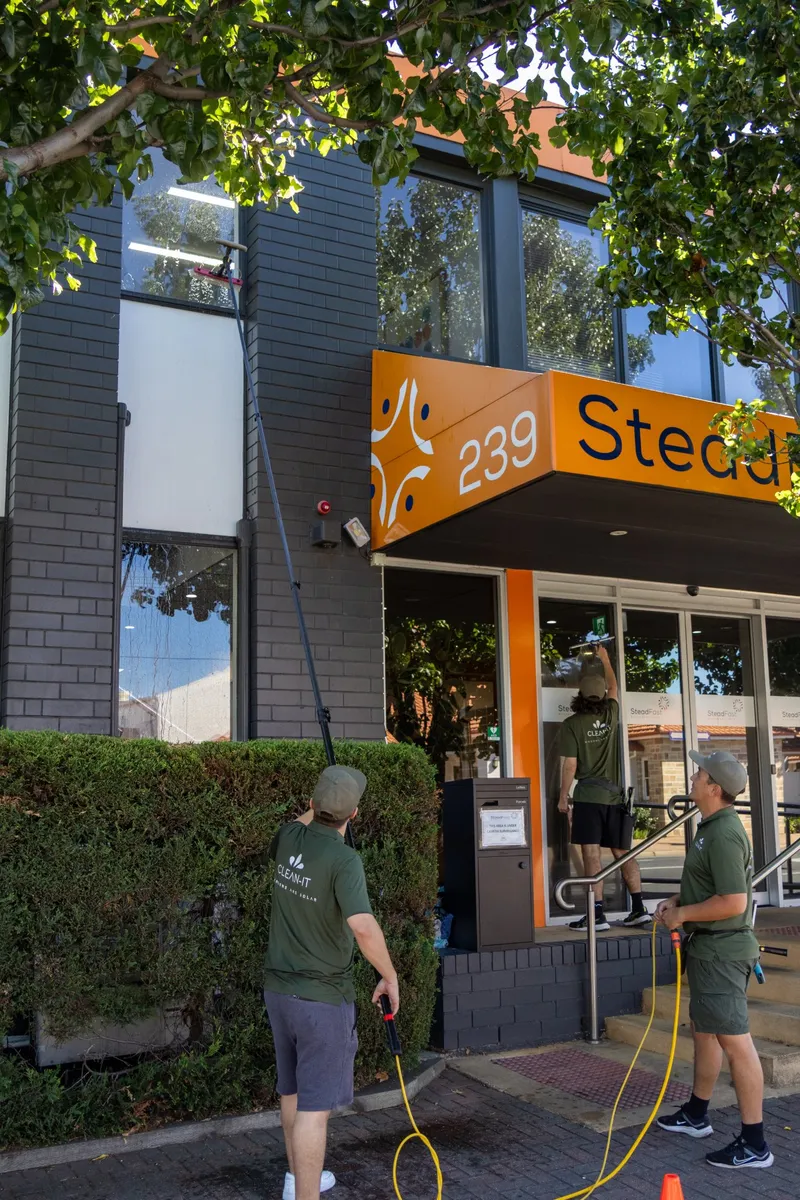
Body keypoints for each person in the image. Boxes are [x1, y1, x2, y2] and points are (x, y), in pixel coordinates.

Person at [264, 765, 400, 1200]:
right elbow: (362, 926)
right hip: (321, 1000)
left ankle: (297, 1179)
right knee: (314, 1110)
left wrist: (318, 807)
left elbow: (303, 821)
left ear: (310, 804)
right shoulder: (345, 860)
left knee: (292, 1091)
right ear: (354, 814)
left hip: (279, 993)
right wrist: (389, 975)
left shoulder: (289, 837)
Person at [656, 750, 772, 1170]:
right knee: (704, 1032)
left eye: (699, 772)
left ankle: (755, 1144)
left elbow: (734, 901)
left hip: (722, 954)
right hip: (708, 951)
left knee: (736, 1043)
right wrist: (679, 900)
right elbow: (712, 887)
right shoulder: (711, 827)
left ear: (714, 787)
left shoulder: (723, 833)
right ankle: (696, 1114)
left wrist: (683, 914)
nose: (693, 775)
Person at [558, 643, 649, 930]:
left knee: (592, 854)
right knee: (623, 852)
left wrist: (563, 796)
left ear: (580, 696)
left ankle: (596, 915)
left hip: (588, 797)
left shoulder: (572, 724)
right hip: (615, 796)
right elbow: (614, 687)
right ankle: (639, 908)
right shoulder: (611, 713)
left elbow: (570, 764)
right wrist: (606, 659)